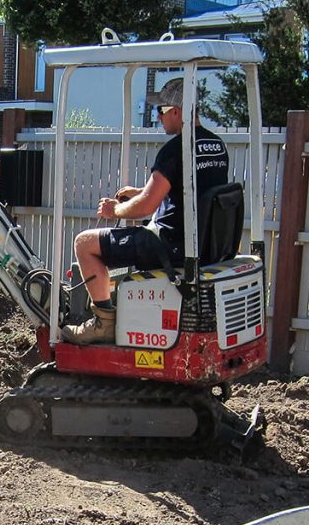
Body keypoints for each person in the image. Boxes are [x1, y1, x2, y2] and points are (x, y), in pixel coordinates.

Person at [61, 78, 230, 344]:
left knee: (84, 244)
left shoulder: (175, 150)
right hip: (200, 242)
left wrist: (116, 210)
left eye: (160, 111)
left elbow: (146, 208)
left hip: (169, 243)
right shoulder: (215, 145)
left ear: (177, 112)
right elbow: (187, 192)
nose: (158, 118)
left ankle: (103, 323)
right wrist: (139, 191)